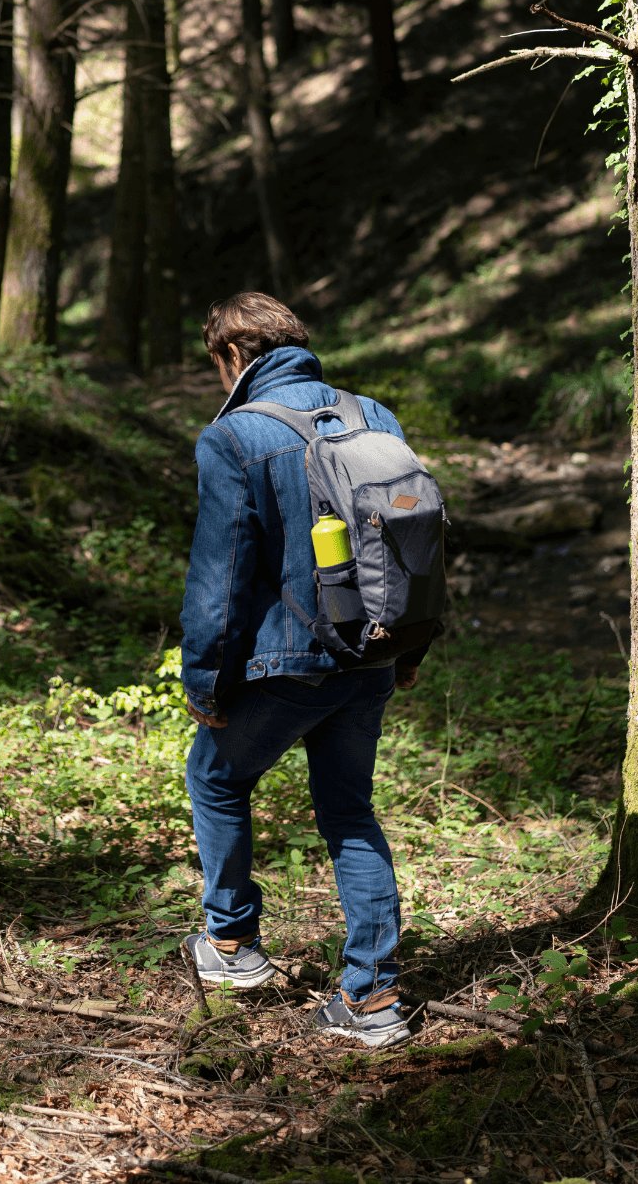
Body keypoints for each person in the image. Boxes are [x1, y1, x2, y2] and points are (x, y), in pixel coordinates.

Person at [180, 292, 419, 1048]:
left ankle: (231, 945)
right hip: (371, 654)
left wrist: (204, 682)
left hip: (287, 664)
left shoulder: (234, 436)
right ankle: (374, 998)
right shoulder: (372, 415)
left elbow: (219, 577)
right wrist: (407, 649)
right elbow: (415, 540)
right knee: (349, 811)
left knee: (215, 778)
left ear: (233, 356)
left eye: (217, 363)